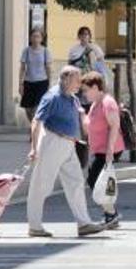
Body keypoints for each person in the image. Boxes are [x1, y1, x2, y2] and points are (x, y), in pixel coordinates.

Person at [26, 66, 103, 238]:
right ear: (66, 78)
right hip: (53, 142)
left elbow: (81, 115)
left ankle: (84, 223)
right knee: (41, 185)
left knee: (76, 182)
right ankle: (35, 226)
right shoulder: (52, 97)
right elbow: (36, 122)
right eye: (77, 80)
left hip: (69, 144)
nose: (80, 83)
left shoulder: (72, 98)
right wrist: (33, 148)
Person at [80, 71, 124, 228]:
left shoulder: (107, 102)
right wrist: (81, 115)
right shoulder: (95, 104)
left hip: (108, 150)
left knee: (95, 180)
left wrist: (110, 150)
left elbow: (114, 125)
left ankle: (111, 214)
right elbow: (88, 127)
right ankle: (110, 213)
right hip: (99, 150)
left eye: (86, 90)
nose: (84, 94)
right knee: (97, 181)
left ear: (95, 87)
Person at [19, 28, 52, 129]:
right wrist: (20, 84)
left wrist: (49, 83)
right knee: (28, 108)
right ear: (30, 38)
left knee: (37, 107)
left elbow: (48, 67)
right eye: (34, 36)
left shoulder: (45, 51)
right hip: (28, 82)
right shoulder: (26, 51)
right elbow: (22, 68)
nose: (35, 38)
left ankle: (35, 129)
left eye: (38, 36)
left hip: (41, 82)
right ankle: (34, 124)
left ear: (41, 38)